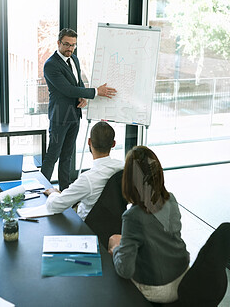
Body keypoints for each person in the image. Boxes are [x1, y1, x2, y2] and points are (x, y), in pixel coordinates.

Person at [108, 146, 190, 303]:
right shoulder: (170, 199)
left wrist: (116, 249)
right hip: (184, 275)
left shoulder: (133, 216)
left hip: (160, 288)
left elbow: (125, 270)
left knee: (114, 244)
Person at [41, 28, 117, 191]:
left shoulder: (74, 59)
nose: (70, 48)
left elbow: (77, 83)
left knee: (67, 156)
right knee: (52, 155)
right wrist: (95, 92)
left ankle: (65, 191)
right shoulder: (51, 65)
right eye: (67, 44)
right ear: (58, 43)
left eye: (73, 45)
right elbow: (67, 89)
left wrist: (83, 96)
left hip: (75, 114)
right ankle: (41, 189)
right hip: (60, 117)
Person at [43, 121, 123, 220]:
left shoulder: (88, 179)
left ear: (89, 142)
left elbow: (54, 206)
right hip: (116, 223)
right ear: (113, 144)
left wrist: (53, 193)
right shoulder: (124, 167)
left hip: (88, 227)